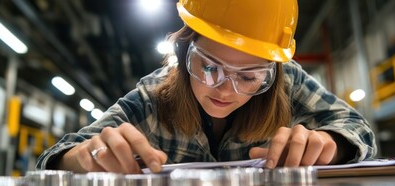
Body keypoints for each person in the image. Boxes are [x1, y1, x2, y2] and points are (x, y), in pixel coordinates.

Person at [37, 0, 376, 174]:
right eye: (210, 67)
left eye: (248, 77)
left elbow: (359, 130)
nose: (226, 91)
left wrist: (333, 145)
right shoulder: (153, 98)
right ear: (184, 52)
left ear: (273, 72)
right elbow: (55, 158)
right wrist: (82, 159)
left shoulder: (290, 82)